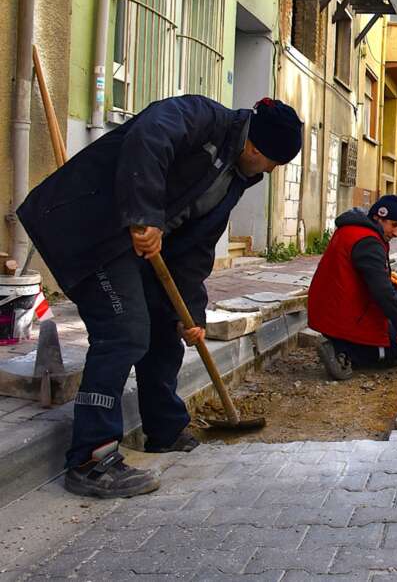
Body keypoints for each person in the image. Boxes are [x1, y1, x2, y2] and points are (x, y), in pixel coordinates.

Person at [17, 95, 303, 498]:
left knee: (165, 327)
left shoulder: (236, 176)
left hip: (131, 246)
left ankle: (164, 430)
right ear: (258, 148)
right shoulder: (202, 119)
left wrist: (192, 314)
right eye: (275, 162)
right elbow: (149, 137)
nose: (273, 171)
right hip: (87, 230)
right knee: (124, 332)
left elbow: (196, 249)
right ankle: (90, 460)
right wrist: (145, 216)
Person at [307, 195, 397, 381]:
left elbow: (351, 269)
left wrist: (386, 276)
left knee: (393, 289)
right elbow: (382, 293)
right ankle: (344, 351)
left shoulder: (352, 230)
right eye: (394, 225)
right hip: (341, 314)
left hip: (325, 310)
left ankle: (341, 342)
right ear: (378, 218)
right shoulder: (369, 241)